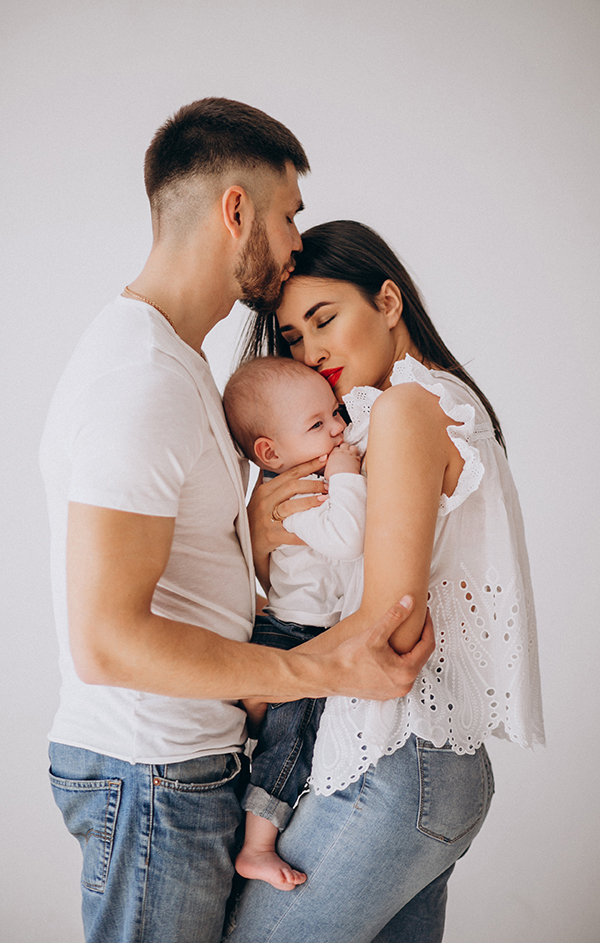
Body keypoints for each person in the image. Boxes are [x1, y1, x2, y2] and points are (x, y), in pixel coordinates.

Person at [39, 102, 434, 943]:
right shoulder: (141, 378)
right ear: (235, 211)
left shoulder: (177, 364)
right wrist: (313, 668)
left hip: (183, 769)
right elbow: (107, 639)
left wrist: (253, 537)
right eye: (288, 215)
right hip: (151, 772)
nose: (296, 242)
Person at [225, 220, 545, 943]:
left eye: (324, 319)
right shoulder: (425, 411)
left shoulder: (407, 409)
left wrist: (260, 682)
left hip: (394, 763)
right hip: (433, 770)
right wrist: (268, 534)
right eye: (293, 337)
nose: (310, 352)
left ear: (389, 302)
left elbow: (385, 625)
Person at [223, 356, 367, 891]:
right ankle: (257, 847)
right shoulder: (295, 493)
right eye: (317, 424)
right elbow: (348, 539)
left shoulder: (310, 476)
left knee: (297, 742)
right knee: (289, 744)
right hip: (295, 634)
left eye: (336, 414)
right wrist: (347, 474)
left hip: (303, 628)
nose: (337, 429)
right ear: (271, 453)